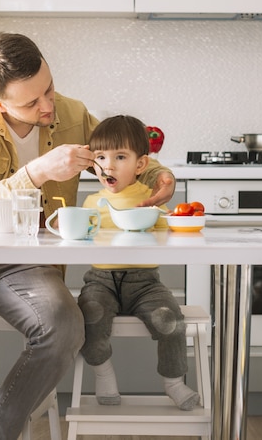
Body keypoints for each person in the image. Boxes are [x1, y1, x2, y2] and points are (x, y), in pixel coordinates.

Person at [0, 33, 176, 440]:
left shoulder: (73, 114)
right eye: (30, 102)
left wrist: (160, 175)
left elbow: (128, 154)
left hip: (26, 263)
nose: (47, 106)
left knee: (64, 326)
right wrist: (37, 172)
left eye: (49, 88)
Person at [78, 114, 200, 411]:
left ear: (141, 164)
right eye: (101, 157)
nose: (109, 165)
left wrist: (176, 226)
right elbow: (80, 240)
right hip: (100, 281)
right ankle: (103, 374)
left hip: (144, 283)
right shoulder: (91, 202)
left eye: (120, 156)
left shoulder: (150, 198)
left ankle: (173, 383)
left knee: (170, 322)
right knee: (89, 317)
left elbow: (168, 234)